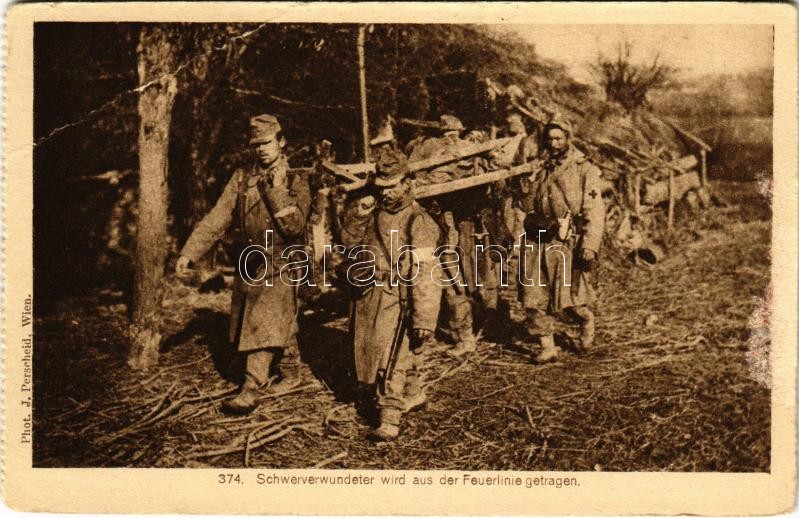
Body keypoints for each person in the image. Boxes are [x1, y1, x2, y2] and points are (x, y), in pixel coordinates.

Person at [176, 114, 312, 414]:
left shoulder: (296, 180)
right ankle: (291, 371)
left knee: (263, 318)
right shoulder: (241, 178)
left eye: (267, 143)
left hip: (284, 261)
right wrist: (190, 252)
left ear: (281, 142)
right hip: (252, 261)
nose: (262, 149)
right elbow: (218, 216)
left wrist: (276, 190)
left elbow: (294, 227)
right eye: (256, 144)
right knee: (269, 318)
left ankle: (252, 386)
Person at [340, 149, 442, 441]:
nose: (387, 193)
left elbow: (426, 274)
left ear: (408, 182)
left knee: (391, 356)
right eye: (382, 186)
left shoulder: (418, 220)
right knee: (372, 353)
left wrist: (424, 318)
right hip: (368, 294)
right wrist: (358, 217)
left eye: (394, 185)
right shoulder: (372, 212)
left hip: (398, 296)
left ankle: (390, 417)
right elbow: (348, 243)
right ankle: (414, 393)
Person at [515, 114, 605, 363]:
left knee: (571, 300)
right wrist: (525, 185)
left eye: (558, 138)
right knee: (532, 296)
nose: (553, 144)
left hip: (566, 240)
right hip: (538, 238)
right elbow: (526, 204)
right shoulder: (541, 167)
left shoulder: (584, 168)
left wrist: (589, 245)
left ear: (568, 139)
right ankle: (547, 345)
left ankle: (586, 325)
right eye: (550, 139)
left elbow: (594, 209)